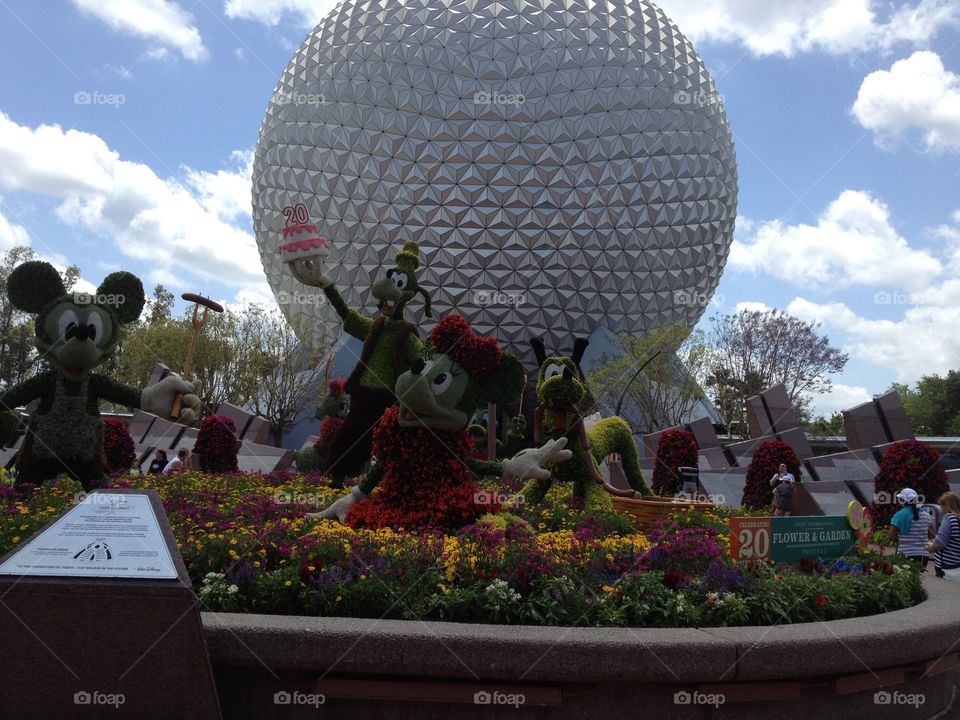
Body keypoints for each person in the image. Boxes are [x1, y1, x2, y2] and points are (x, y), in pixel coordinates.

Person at [888, 488, 935, 568]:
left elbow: (891, 536)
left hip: (904, 555)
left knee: (904, 578)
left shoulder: (899, 515)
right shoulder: (926, 515)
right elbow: (932, 535)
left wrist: (902, 539)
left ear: (902, 500)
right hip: (923, 556)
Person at [927, 492, 960, 581]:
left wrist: (930, 547)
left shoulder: (949, 518)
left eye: (942, 505)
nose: (942, 508)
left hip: (948, 567)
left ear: (947, 505)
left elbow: (940, 543)